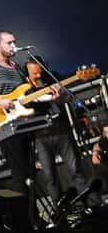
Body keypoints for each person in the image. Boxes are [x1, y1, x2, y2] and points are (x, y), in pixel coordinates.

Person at [0, 30, 64, 226]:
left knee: (29, 173)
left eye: (14, 42)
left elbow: (25, 97)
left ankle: (32, 218)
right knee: (20, 174)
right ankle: (25, 221)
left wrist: (52, 96)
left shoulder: (16, 67)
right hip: (5, 125)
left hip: (23, 124)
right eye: (9, 43)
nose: (13, 46)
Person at [25, 57, 86, 207]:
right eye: (34, 73)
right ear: (27, 74)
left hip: (61, 130)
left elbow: (66, 98)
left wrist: (58, 98)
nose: (38, 76)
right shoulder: (22, 86)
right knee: (50, 176)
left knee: (75, 169)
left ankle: (89, 204)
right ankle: (61, 211)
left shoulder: (53, 77)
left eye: (40, 71)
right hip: (40, 136)